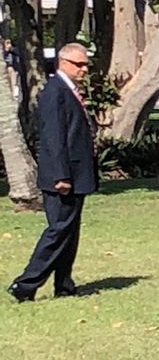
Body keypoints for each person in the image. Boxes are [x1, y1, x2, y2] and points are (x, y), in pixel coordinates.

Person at [7, 43, 97, 302]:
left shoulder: (69, 90)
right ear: (64, 62)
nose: (84, 69)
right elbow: (54, 137)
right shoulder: (55, 91)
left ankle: (64, 283)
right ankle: (25, 284)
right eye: (79, 64)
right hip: (62, 176)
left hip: (76, 174)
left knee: (69, 231)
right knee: (58, 230)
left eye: (85, 64)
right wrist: (61, 175)